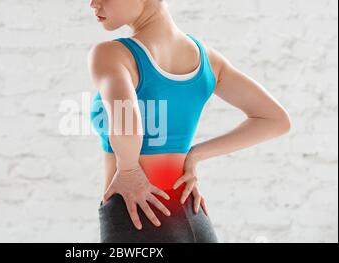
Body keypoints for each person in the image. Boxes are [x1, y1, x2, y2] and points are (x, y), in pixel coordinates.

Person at [87, 0, 291, 243]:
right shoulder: (208, 61)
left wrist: (129, 170)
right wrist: (194, 155)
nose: (93, 3)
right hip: (194, 219)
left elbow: (127, 121)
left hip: (140, 217)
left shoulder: (111, 54)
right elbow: (275, 119)